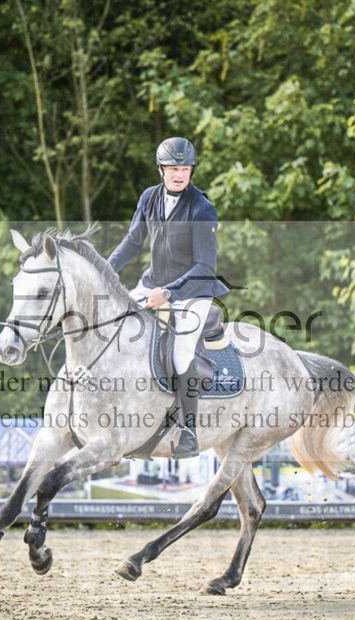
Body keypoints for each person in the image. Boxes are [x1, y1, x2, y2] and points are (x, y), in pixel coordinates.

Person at [108, 137, 228, 457]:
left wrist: (170, 293)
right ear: (161, 170)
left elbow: (205, 267)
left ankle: (188, 431)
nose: (179, 174)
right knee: (113, 323)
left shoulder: (202, 209)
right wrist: (105, 270)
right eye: (174, 168)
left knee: (180, 353)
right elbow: (134, 241)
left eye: (185, 169)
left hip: (192, 291)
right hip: (152, 285)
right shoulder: (149, 198)